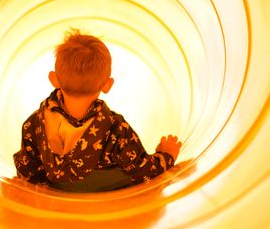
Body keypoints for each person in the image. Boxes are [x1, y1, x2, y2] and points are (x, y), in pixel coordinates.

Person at [13, 29, 181, 192]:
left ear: (54, 79)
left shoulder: (34, 124)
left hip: (58, 195)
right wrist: (166, 156)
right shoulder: (116, 129)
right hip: (109, 193)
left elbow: (27, 171)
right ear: (108, 84)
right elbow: (142, 170)